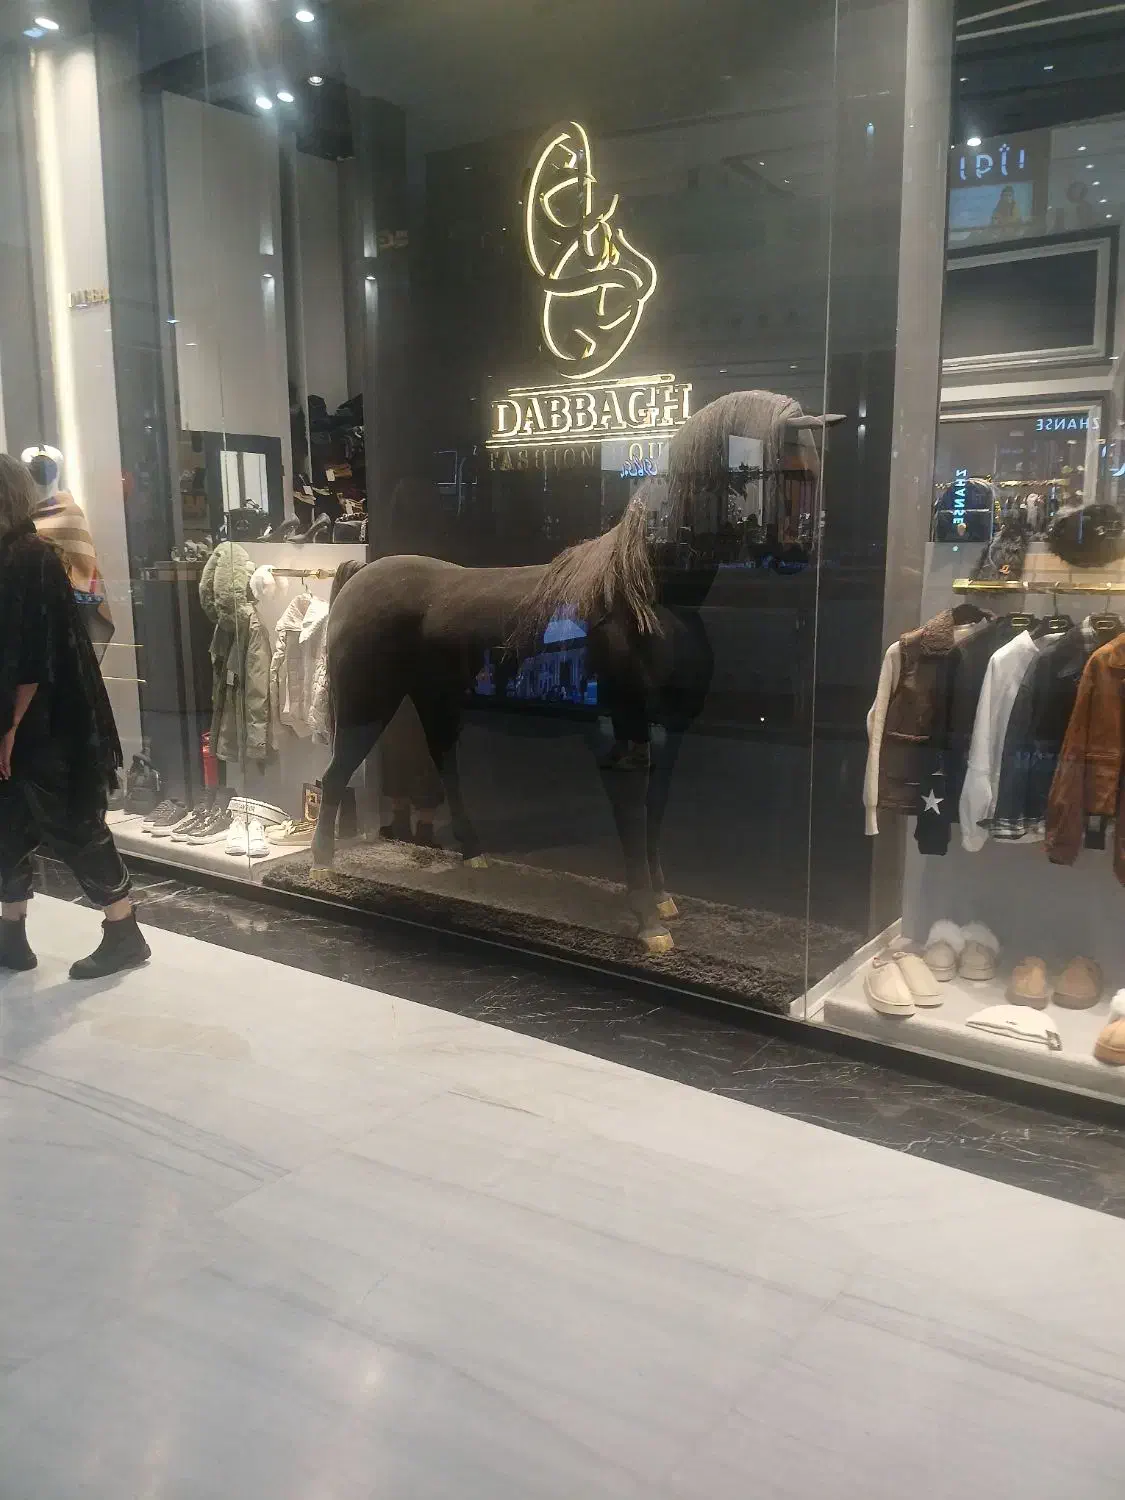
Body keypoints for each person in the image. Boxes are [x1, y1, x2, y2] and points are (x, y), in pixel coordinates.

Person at [0, 453, 149, 977]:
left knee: (72, 821)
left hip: (46, 718)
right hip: (21, 714)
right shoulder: (13, 554)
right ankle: (11, 931)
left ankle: (124, 930)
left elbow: (35, 656)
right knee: (8, 821)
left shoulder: (31, 556)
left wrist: (10, 728)